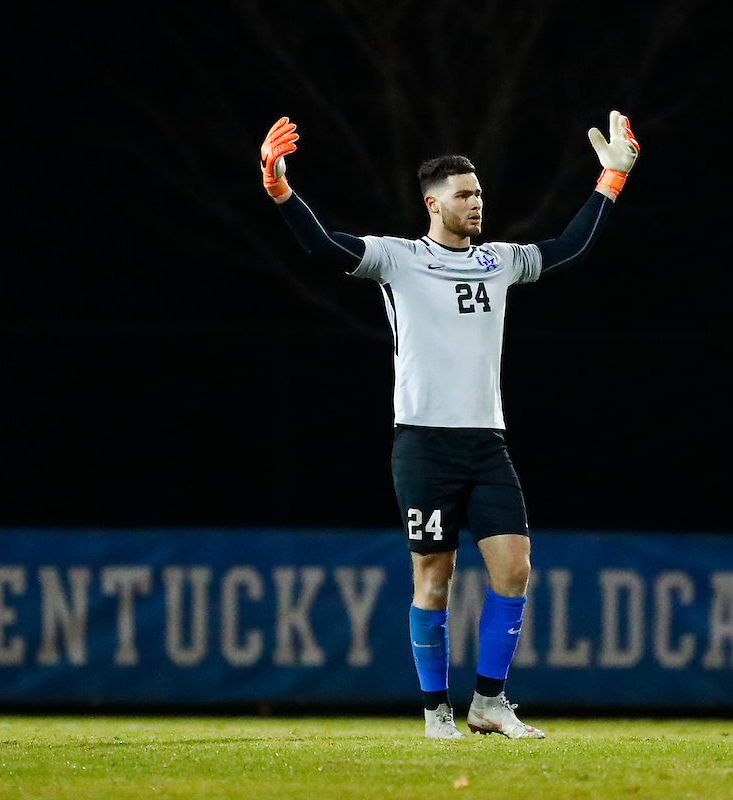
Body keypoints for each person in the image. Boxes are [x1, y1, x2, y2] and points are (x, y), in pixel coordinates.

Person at [259, 111, 638, 739]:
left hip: (487, 444)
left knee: (514, 567)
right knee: (433, 577)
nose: (476, 203)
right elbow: (323, 244)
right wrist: (279, 190)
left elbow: (570, 247)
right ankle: (437, 711)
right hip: (424, 445)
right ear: (433, 204)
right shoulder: (397, 259)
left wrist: (612, 178)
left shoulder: (500, 262)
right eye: (464, 195)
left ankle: (490, 701)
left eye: (480, 193)